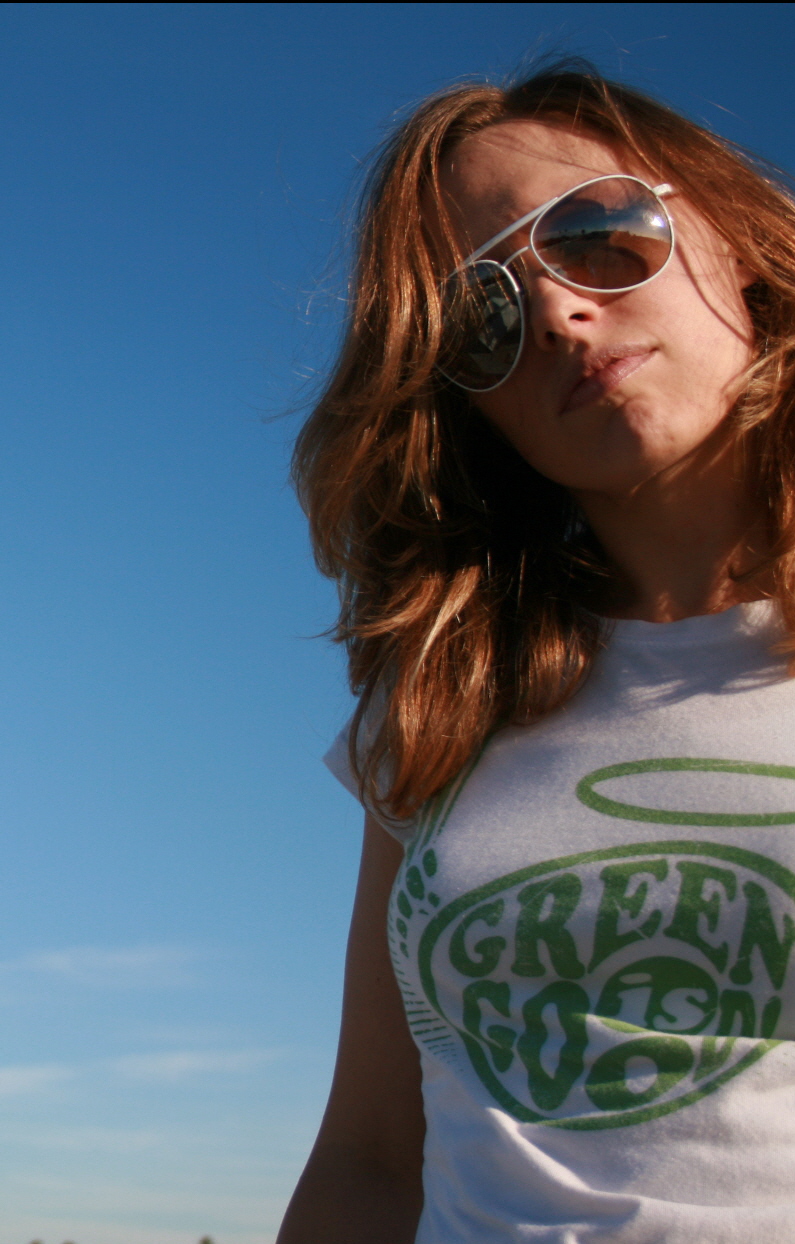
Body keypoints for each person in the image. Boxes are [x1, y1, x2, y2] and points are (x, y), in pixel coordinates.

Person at [276, 60, 795, 1244]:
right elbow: (370, 1154)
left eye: (600, 234)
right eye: (485, 314)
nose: (561, 312)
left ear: (736, 239)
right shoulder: (441, 698)